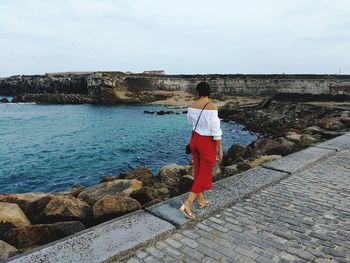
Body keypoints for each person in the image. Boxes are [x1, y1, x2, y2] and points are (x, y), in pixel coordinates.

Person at [180, 81, 223, 219]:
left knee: (198, 171)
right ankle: (188, 204)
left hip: (194, 140)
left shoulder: (191, 106)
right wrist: (220, 149)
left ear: (197, 92)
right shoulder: (212, 107)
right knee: (204, 174)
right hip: (206, 143)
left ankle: (201, 200)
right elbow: (216, 131)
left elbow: (190, 122)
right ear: (209, 92)